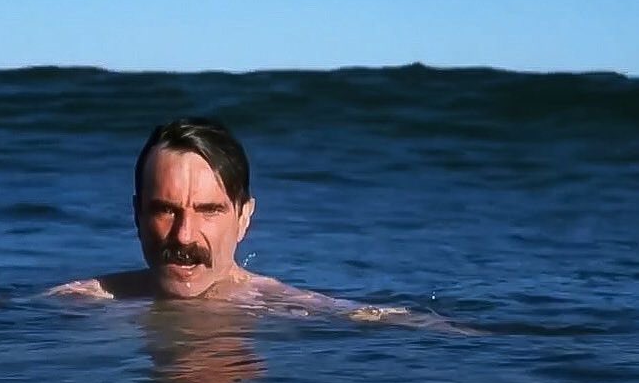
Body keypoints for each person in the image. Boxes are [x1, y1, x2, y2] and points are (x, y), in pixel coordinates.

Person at [47, 117, 468, 331]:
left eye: (209, 210)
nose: (184, 235)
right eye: (165, 210)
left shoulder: (280, 306)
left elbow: (386, 321)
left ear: (244, 217)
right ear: (136, 215)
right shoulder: (84, 300)